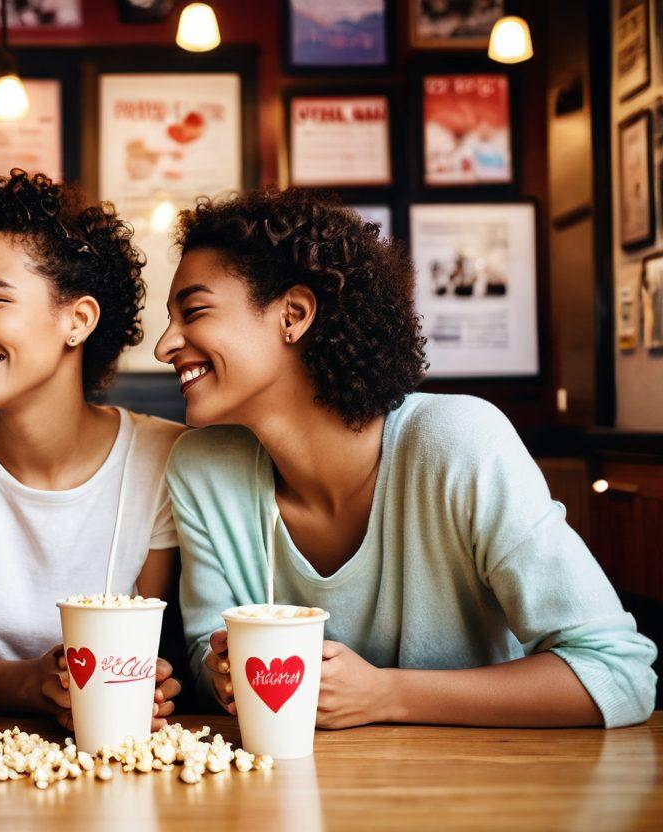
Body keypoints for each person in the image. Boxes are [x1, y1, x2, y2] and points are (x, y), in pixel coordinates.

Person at [156, 188, 657, 728]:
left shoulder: (459, 442)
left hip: (487, 794)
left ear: (293, 315)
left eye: (195, 312)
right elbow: (207, 656)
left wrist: (385, 695)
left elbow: (619, 674)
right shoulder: (200, 468)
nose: (165, 345)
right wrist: (226, 670)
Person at [0, 171, 183, 730]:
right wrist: (39, 685)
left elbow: (137, 643)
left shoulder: (163, 457)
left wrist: (147, 685)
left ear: (79, 320)